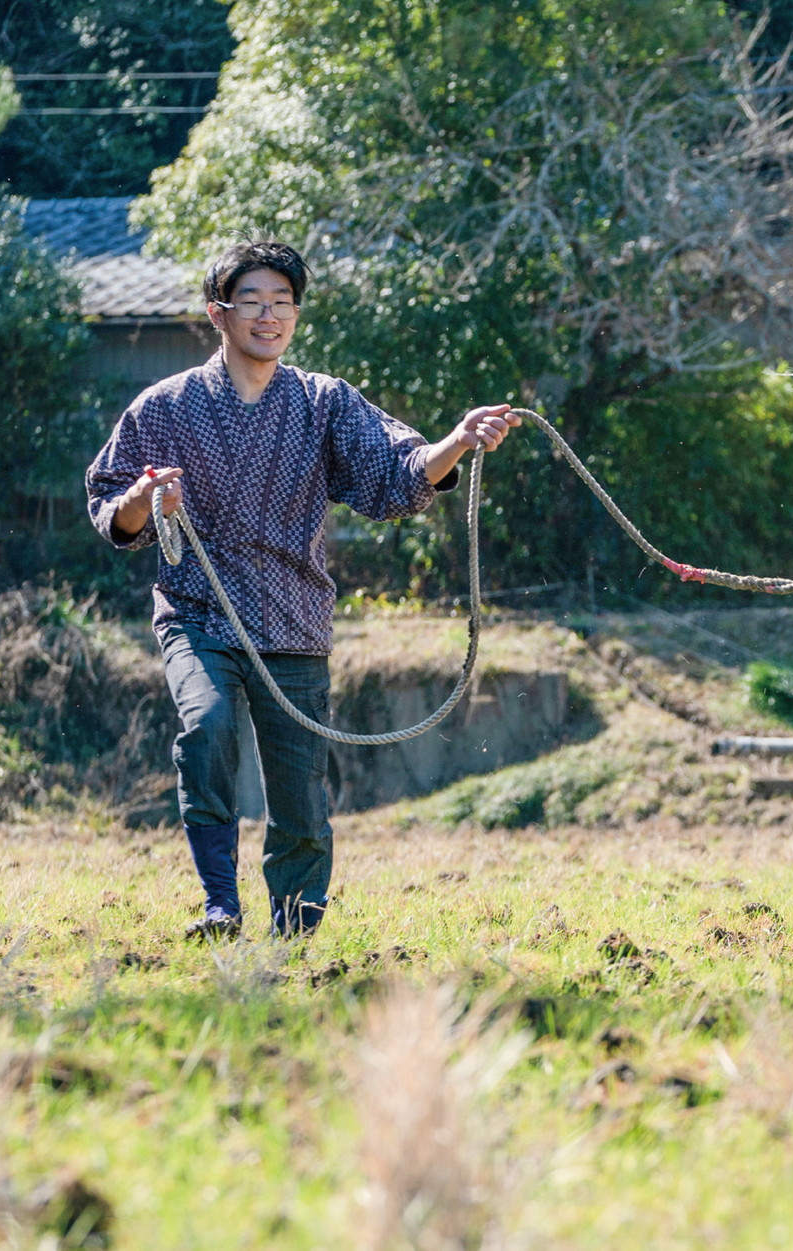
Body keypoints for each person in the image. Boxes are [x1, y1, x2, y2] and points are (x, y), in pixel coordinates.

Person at [86, 240, 520, 940]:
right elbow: (111, 509)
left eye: (283, 302)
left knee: (300, 793)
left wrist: (458, 441)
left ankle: (295, 929)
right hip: (201, 615)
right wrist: (143, 499)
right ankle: (219, 905)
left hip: (295, 618)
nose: (270, 315)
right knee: (207, 727)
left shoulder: (324, 402)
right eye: (252, 301)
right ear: (217, 314)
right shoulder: (164, 407)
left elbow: (398, 473)